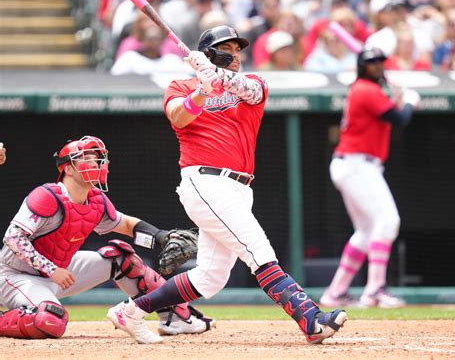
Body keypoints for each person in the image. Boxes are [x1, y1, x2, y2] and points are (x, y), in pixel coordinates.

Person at [107, 25, 348, 344]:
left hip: (239, 187)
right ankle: (311, 318)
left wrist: (215, 75)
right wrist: (202, 90)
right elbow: (178, 117)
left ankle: (131, 311)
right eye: (227, 49)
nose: (235, 55)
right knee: (257, 249)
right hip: (204, 182)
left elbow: (251, 91)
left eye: (238, 50)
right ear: (208, 53)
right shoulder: (181, 85)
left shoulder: (253, 83)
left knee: (210, 278)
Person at [0, 136, 214, 341]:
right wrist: (51, 269)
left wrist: (160, 236)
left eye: (97, 159)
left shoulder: (95, 201)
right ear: (68, 168)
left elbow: (127, 225)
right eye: (86, 159)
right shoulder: (47, 195)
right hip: (15, 275)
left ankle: (176, 318)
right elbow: (13, 238)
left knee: (121, 258)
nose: (95, 164)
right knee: (50, 320)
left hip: (59, 271)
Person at [319, 46, 421, 309]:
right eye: (372, 62)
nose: (377, 66)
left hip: (355, 164)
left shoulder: (367, 91)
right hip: (357, 164)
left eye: (380, 62)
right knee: (388, 222)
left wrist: (397, 99)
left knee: (366, 232)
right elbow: (399, 119)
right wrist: (409, 101)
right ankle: (375, 290)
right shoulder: (366, 89)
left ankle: (336, 292)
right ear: (363, 66)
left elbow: (385, 116)